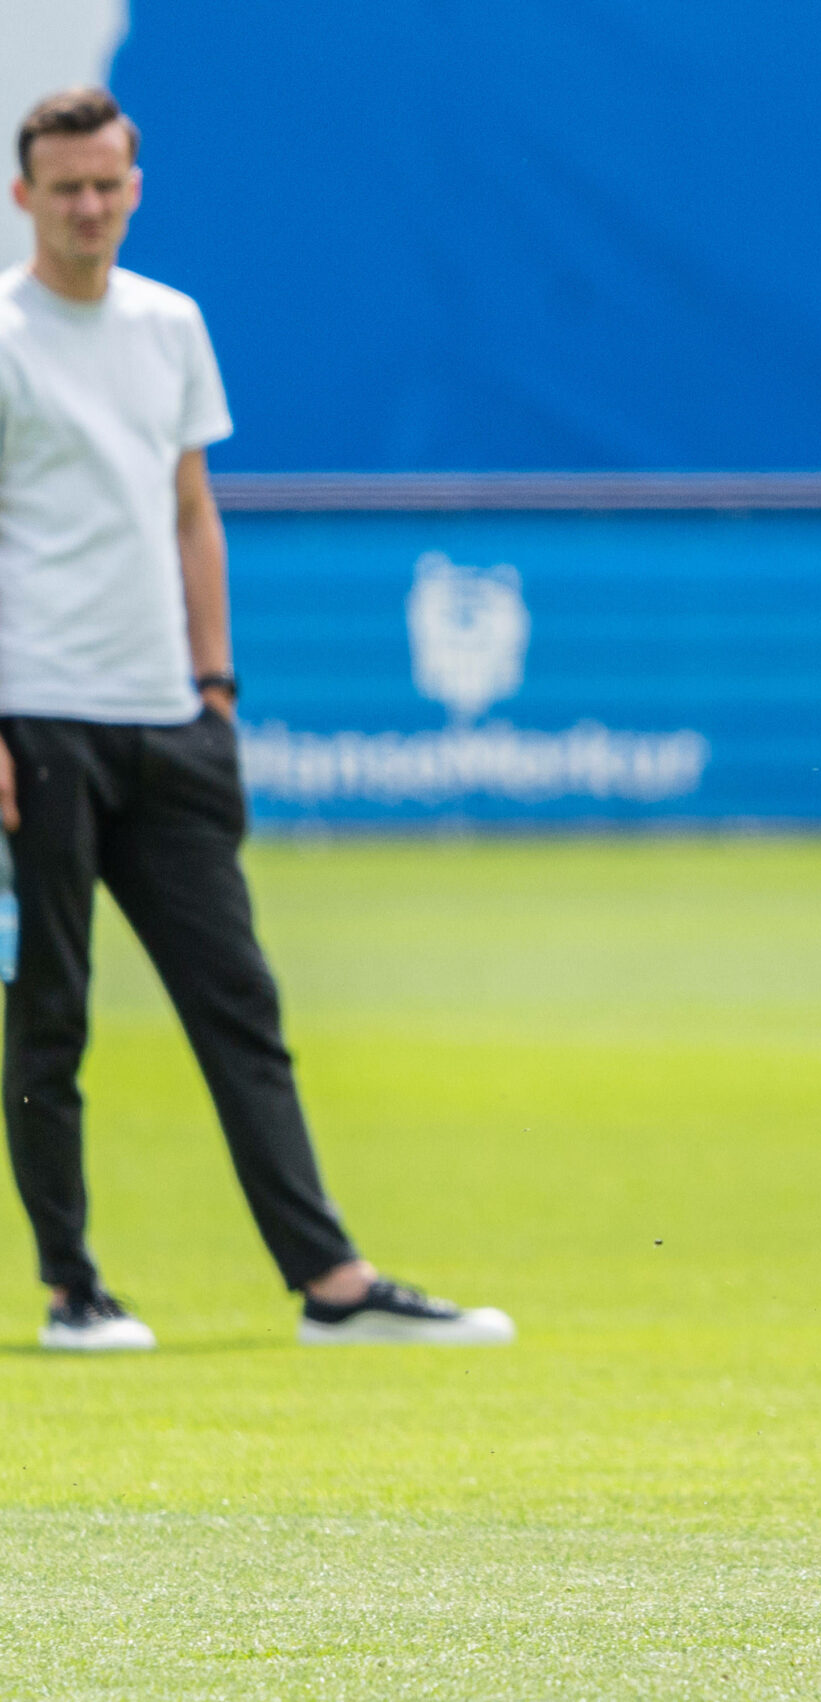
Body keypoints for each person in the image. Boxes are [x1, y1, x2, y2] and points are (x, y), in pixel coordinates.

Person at [1, 88, 512, 1352]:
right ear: (23, 196)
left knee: (242, 1004)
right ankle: (75, 1287)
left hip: (168, 717)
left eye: (105, 183)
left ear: (134, 183)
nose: (85, 206)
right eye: (62, 185)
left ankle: (331, 1282)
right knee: (49, 1010)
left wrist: (216, 691)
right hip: (36, 721)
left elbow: (191, 511)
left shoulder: (170, 323)